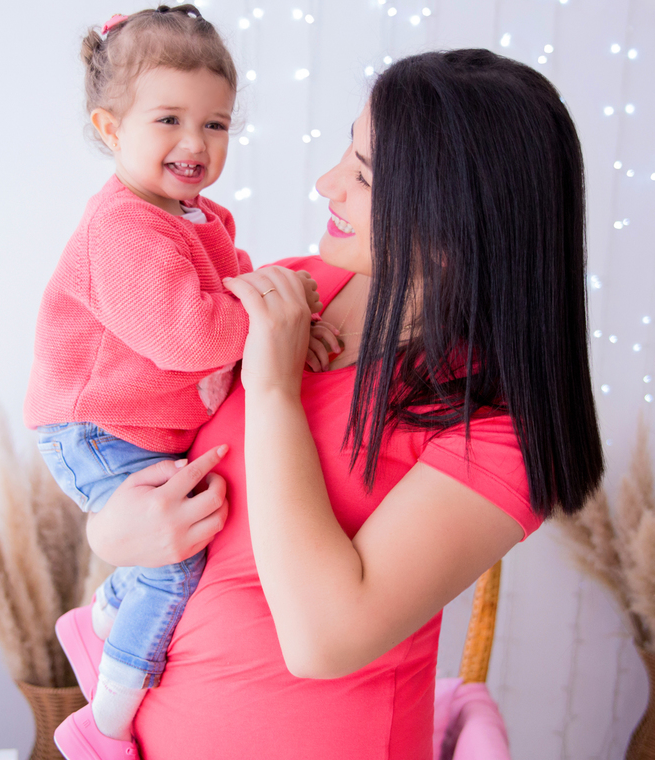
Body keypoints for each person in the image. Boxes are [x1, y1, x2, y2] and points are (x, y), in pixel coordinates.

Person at [76, 49, 605, 759]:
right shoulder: (296, 291)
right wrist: (111, 534)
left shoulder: (498, 429)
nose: (328, 184)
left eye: (362, 174)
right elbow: (148, 462)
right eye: (346, 153)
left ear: (454, 219)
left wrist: (271, 391)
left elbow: (324, 639)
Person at [22, 5, 327, 759]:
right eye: (168, 120)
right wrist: (272, 315)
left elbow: (231, 298)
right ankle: (112, 711)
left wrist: (283, 321)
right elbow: (192, 335)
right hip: (94, 426)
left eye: (216, 124)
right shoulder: (123, 229)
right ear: (109, 127)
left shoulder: (196, 216)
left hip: (133, 424)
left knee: (185, 527)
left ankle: (104, 617)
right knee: (176, 553)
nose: (194, 143)